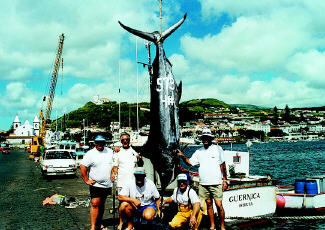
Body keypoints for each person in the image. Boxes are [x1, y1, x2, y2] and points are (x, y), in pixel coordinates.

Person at [177, 128, 227, 230]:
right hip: (203, 183)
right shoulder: (198, 152)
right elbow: (190, 162)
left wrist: (224, 179)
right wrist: (182, 156)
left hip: (216, 182)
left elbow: (223, 165)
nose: (205, 140)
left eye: (207, 138)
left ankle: (222, 226)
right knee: (208, 204)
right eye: (203, 138)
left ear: (210, 139)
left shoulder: (218, 149)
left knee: (219, 204)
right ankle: (212, 225)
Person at [80, 135, 114, 230]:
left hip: (107, 184)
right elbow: (83, 166)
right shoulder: (90, 153)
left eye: (102, 142)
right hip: (95, 183)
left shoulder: (110, 152)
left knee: (102, 204)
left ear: (104, 143)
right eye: (98, 142)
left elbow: (115, 163)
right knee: (95, 203)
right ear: (94, 143)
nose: (100, 144)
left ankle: (99, 223)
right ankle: (93, 227)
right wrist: (86, 180)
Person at [110, 132, 143, 230]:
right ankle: (121, 222)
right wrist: (113, 174)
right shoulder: (117, 153)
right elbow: (115, 167)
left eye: (127, 139)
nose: (125, 141)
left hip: (133, 182)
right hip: (121, 182)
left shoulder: (134, 152)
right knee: (121, 204)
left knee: (132, 203)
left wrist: (139, 158)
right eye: (123, 140)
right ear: (121, 141)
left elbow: (140, 163)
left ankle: (131, 223)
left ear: (129, 141)